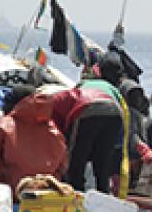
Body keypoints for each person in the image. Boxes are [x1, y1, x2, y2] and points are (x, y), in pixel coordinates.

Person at [52, 53, 128, 195]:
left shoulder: (83, 84)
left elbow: (69, 104)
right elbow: (124, 117)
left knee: (77, 159)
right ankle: (103, 195)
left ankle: (76, 193)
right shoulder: (114, 90)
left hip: (87, 107)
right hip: (114, 112)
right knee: (103, 162)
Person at [0, 85, 68, 190]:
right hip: (46, 193)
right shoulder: (53, 128)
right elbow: (62, 166)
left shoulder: (3, 125)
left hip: (11, 192)